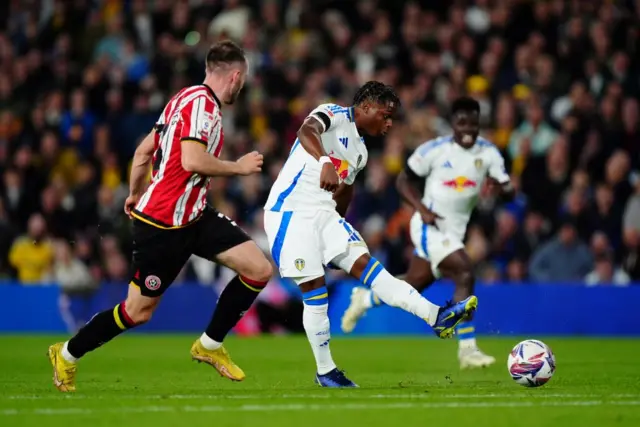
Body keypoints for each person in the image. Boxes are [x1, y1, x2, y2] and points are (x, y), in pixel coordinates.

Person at [48, 40, 272, 392]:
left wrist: (136, 192)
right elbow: (192, 161)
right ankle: (67, 353)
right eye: (242, 81)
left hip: (193, 215)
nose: (241, 87)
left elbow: (142, 152)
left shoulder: (182, 99)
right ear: (236, 76)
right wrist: (239, 168)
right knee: (138, 312)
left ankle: (209, 345)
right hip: (163, 225)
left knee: (258, 269)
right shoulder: (203, 108)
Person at [263, 82, 477, 387]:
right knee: (315, 293)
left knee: (373, 270)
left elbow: (345, 189)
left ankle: (436, 316)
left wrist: (335, 234)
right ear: (365, 106)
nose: (389, 123)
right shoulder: (331, 114)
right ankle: (325, 370)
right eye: (385, 115)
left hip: (325, 217)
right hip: (290, 212)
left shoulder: (360, 152)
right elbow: (306, 131)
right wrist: (324, 161)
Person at [342, 97, 514, 369]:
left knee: (412, 285)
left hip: (455, 233)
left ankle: (364, 299)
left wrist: (501, 188)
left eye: (473, 123)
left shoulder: (489, 154)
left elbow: (509, 190)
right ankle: (467, 349)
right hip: (429, 226)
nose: (468, 128)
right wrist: (420, 208)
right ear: (453, 125)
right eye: (462, 122)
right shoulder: (435, 150)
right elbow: (403, 180)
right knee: (465, 271)